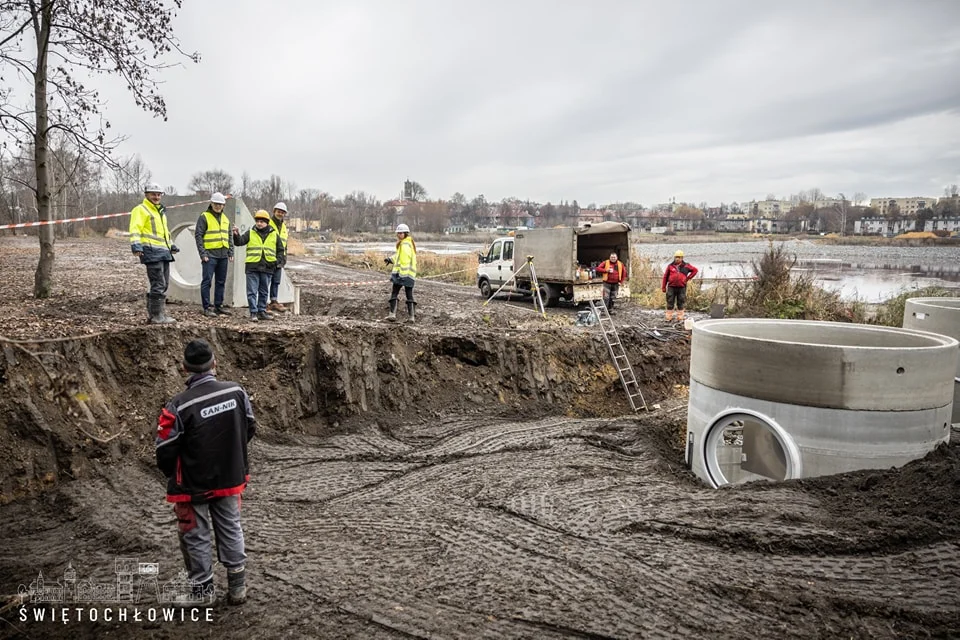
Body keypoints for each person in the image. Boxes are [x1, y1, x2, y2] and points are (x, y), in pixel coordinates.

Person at [155, 339, 256, 605]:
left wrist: (173, 473)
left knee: (195, 533)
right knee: (231, 527)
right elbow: (249, 427)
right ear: (214, 363)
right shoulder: (237, 392)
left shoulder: (177, 405)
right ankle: (237, 588)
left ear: (184, 368)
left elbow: (164, 449)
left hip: (191, 483)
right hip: (230, 477)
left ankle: (202, 593)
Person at [129, 182, 179, 324]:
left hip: (163, 251)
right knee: (158, 283)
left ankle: (157, 315)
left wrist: (171, 245)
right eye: (153, 194)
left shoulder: (160, 212)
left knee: (164, 283)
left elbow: (164, 233)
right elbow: (135, 229)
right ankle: (156, 316)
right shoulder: (141, 209)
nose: (156, 197)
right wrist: (136, 245)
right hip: (151, 251)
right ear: (146, 195)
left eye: (158, 194)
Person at [233, 210, 284, 322]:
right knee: (252, 291)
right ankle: (253, 312)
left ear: (267, 222)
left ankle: (261, 311)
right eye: (257, 221)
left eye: (262, 221)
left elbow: (281, 250)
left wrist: (276, 262)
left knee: (264, 291)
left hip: (268, 267)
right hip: (253, 266)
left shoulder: (274, 234)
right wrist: (236, 235)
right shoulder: (250, 232)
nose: (259, 223)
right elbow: (239, 242)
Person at [194, 192, 234, 318]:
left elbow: (229, 236)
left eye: (220, 204)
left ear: (223, 205)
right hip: (210, 255)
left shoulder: (225, 219)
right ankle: (207, 307)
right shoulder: (204, 217)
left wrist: (230, 252)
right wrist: (203, 253)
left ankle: (218, 306)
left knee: (221, 281)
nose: (218, 206)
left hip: (223, 255)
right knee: (207, 281)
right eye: (216, 204)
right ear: (211, 203)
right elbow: (198, 235)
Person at [383, 223, 417, 323]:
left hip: (403, 275)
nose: (398, 235)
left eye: (400, 233)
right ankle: (411, 317)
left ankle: (392, 314)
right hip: (409, 275)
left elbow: (405, 260)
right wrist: (391, 259)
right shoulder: (407, 243)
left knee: (395, 292)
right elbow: (398, 256)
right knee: (409, 295)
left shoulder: (405, 244)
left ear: (405, 233)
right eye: (398, 233)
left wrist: (402, 275)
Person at [661, 249, 698, 322]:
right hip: (671, 287)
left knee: (681, 301)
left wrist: (688, 278)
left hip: (681, 287)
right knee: (670, 301)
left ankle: (680, 317)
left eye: (679, 257)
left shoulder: (686, 265)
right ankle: (669, 317)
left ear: (682, 258)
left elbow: (695, 270)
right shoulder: (670, 266)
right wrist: (663, 287)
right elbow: (665, 276)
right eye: (676, 257)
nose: (677, 259)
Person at [267, 202, 289, 313]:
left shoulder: (284, 227)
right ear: (274, 211)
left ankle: (273, 301)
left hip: (280, 258)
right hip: (269, 257)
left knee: (276, 281)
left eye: (282, 212)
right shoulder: (268, 223)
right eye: (278, 211)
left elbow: (285, 244)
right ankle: (263, 302)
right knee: (266, 281)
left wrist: (284, 257)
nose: (280, 214)